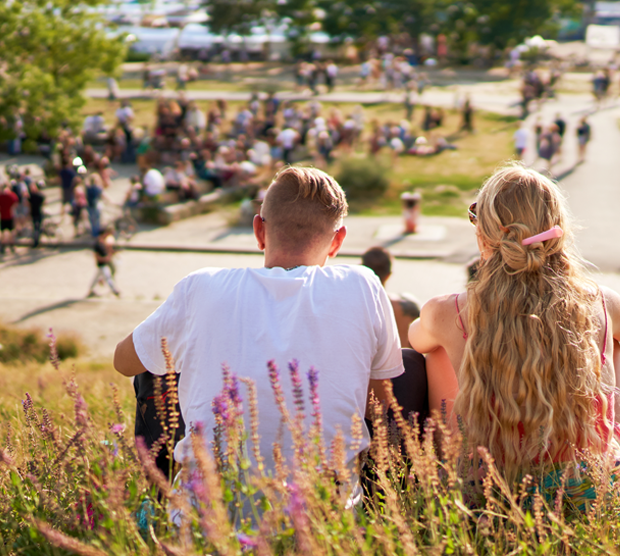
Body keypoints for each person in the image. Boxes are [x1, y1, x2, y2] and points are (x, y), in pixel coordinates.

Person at [113, 167, 405, 507]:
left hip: (208, 522)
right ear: (337, 241)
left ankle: (159, 500)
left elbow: (124, 360)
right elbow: (381, 400)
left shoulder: (201, 286)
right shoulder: (364, 284)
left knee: (154, 361)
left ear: (258, 230)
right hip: (326, 521)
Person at [408, 165, 620, 507]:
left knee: (438, 351)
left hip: (498, 495)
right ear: (559, 230)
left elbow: (416, 338)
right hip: (591, 496)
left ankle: (454, 474)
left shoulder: (446, 311)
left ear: (484, 236)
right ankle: (612, 470)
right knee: (616, 343)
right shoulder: (599, 300)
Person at [361, 246, 422, 349]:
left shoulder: (352, 306)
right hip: (404, 363)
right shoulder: (408, 306)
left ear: (362, 270)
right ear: (388, 274)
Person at [88, 227, 120, 298]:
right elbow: (96, 255)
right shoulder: (97, 244)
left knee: (96, 278)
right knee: (107, 277)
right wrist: (104, 259)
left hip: (104, 263)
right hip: (102, 263)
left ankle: (90, 290)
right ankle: (114, 290)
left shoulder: (102, 242)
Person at [0, 183, 19, 255]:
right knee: (12, 231)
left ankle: (3, 246)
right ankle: (12, 245)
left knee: (2, 232)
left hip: (2, 216)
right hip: (10, 215)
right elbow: (16, 204)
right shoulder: (11, 195)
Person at [28, 181, 46, 248]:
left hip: (35, 213)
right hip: (37, 213)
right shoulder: (39, 196)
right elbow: (44, 203)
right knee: (37, 228)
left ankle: (36, 241)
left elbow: (28, 205)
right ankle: (36, 241)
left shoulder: (31, 196)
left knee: (36, 228)